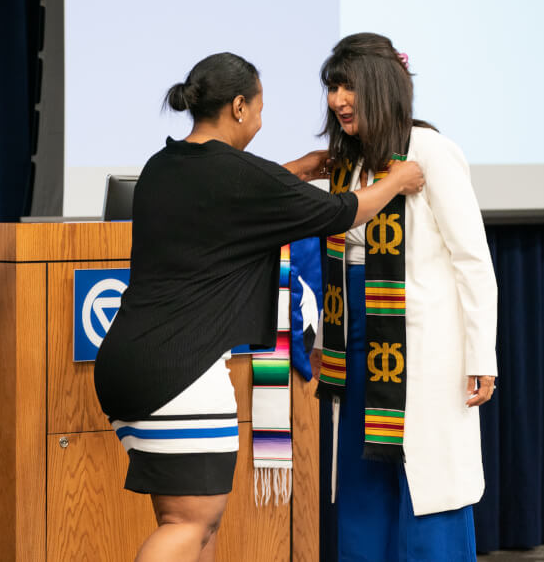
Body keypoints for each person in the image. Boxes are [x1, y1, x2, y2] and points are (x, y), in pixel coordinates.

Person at [93, 52, 425, 562]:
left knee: (194, 527)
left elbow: (228, 194)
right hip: (179, 371)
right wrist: (396, 182)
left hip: (124, 366)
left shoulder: (162, 166)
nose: (263, 121)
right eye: (262, 108)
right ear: (240, 106)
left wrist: (299, 169)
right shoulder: (237, 175)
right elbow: (344, 211)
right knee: (188, 523)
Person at [311, 32, 497, 561]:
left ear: (378, 86)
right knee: (364, 481)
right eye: (331, 88)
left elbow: (472, 260)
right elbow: (340, 260)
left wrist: (481, 354)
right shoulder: (345, 162)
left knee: (427, 485)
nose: (337, 100)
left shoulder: (430, 150)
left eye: (346, 86)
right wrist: (329, 338)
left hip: (421, 349)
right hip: (358, 347)